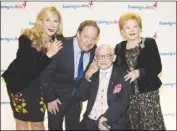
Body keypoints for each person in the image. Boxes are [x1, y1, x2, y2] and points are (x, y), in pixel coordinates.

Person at [1, 6, 63, 130]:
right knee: (21, 121)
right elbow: (31, 70)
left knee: (37, 123)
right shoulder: (27, 38)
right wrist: (49, 54)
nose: (52, 24)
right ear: (40, 21)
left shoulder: (57, 41)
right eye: (48, 20)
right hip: (20, 84)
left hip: (38, 87)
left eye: (55, 21)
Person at [41, 20, 100, 130]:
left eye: (93, 38)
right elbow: (45, 73)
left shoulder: (95, 51)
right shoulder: (60, 45)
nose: (89, 42)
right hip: (56, 99)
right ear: (78, 33)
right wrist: (50, 98)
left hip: (76, 101)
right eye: (86, 37)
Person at [114, 12, 166, 130]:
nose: (132, 30)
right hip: (129, 97)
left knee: (150, 125)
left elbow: (157, 66)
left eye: (135, 26)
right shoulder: (118, 47)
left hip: (148, 95)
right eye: (127, 27)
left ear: (140, 28)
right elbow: (116, 70)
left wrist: (139, 72)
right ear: (122, 31)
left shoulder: (149, 43)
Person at [77, 44, 131, 130]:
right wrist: (87, 76)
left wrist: (106, 117)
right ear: (95, 59)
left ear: (114, 58)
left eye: (107, 56)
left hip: (113, 120)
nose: (103, 59)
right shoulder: (91, 72)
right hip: (90, 121)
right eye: (99, 56)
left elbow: (123, 101)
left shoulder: (123, 74)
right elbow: (81, 97)